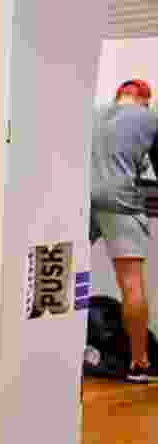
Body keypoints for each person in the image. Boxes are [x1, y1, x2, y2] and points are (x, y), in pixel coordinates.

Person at [90, 79, 158, 383]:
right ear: (144, 99)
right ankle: (139, 362)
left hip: (80, 199)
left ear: (119, 95)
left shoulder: (93, 113)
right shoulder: (149, 119)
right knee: (131, 283)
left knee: (67, 272)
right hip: (121, 202)